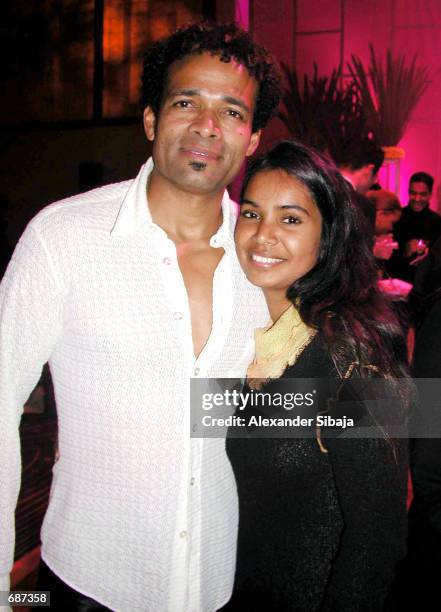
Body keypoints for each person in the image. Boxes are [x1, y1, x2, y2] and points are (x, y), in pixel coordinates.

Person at [0, 23, 282, 611]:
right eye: (187, 102)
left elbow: (271, 407)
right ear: (151, 120)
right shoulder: (65, 237)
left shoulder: (266, 256)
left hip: (217, 580)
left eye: (231, 111)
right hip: (88, 582)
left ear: (252, 137)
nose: (207, 126)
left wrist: (389, 412)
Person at [223, 141, 409, 611]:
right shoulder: (249, 341)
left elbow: (378, 535)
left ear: (327, 236)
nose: (263, 235)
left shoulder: (353, 352)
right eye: (251, 214)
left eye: (290, 219)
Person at [392, 172, 441, 283]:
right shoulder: (397, 217)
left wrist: (429, 257)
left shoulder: (437, 222)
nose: (417, 199)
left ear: (430, 195)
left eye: (423, 194)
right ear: (408, 192)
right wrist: (405, 251)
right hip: (399, 283)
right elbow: (387, 258)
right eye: (413, 193)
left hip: (425, 286)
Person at [337, 139, 385, 243]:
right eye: (376, 174)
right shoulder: (363, 206)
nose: (376, 180)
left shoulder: (317, 188)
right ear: (369, 169)